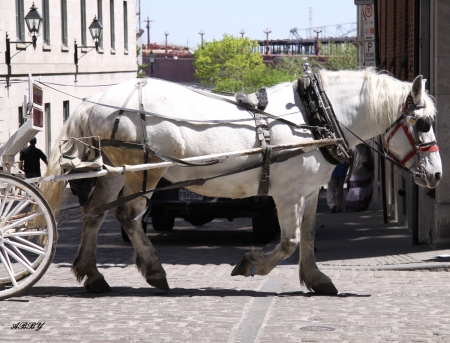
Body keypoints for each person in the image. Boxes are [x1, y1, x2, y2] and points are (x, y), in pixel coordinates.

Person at [345, 142, 374, 212]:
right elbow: (371, 161)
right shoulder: (367, 148)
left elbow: (349, 161)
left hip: (355, 171)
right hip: (365, 171)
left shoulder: (352, 148)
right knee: (364, 189)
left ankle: (356, 205)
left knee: (356, 189)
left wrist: (348, 173)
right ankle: (362, 205)